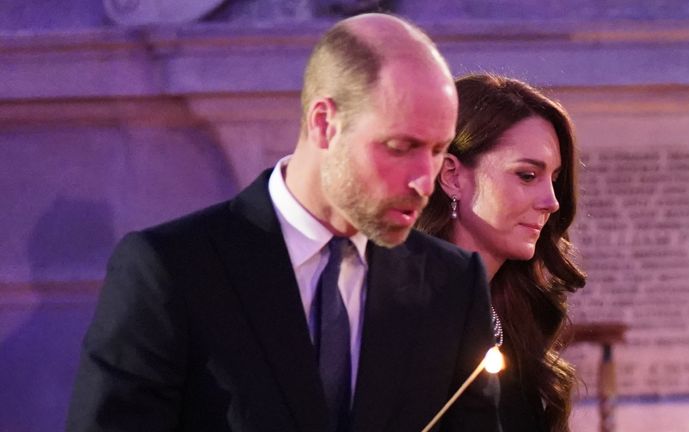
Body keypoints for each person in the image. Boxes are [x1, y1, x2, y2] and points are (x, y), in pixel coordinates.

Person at [66, 14, 500, 432]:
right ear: (324, 123)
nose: (425, 179)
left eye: (438, 149)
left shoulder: (453, 283)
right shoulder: (171, 269)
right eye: (400, 146)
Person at [416, 73, 587, 432]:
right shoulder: (409, 314)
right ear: (452, 175)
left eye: (554, 179)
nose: (552, 203)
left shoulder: (513, 318)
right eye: (527, 175)